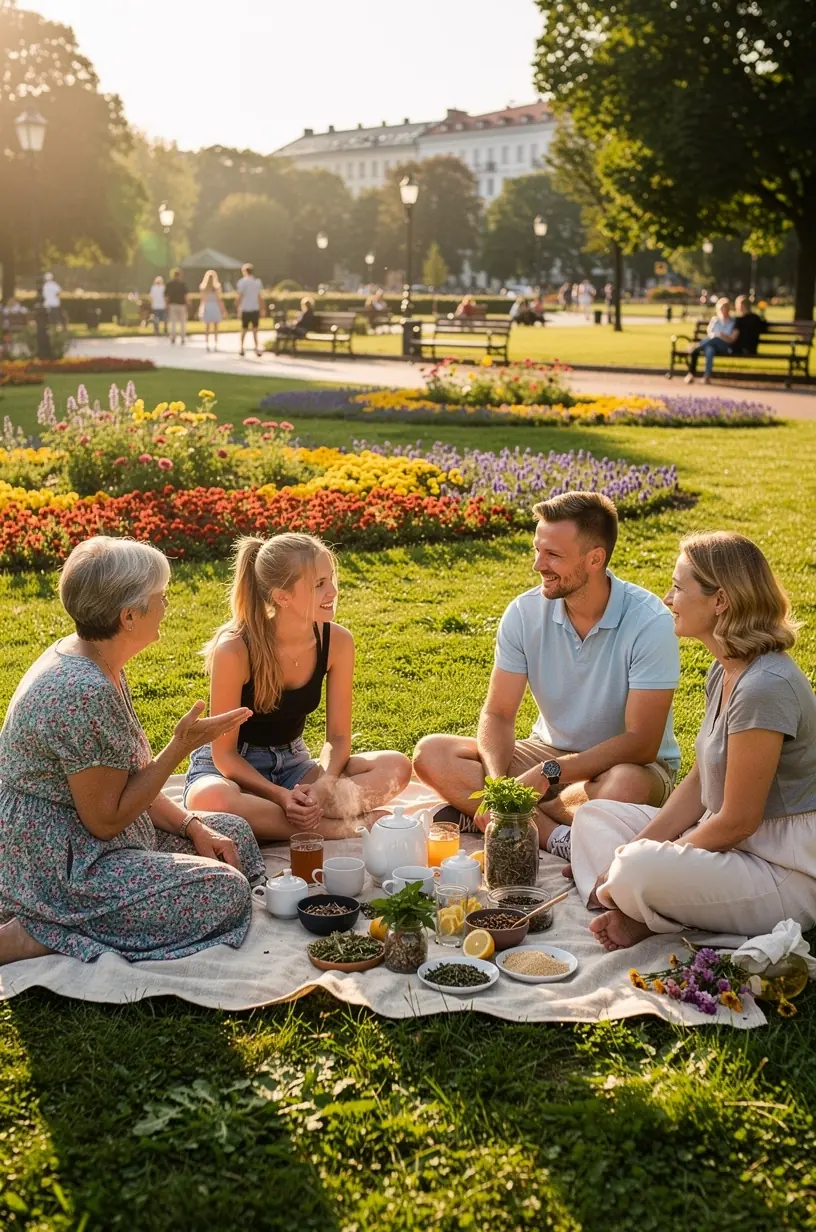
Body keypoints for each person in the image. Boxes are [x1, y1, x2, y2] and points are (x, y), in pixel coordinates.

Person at [0, 537, 266, 968]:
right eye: (160, 596)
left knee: (232, 836)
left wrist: (193, 824)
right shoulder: (83, 691)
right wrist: (180, 747)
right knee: (226, 891)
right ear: (128, 616)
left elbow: (129, 778)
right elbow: (105, 821)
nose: (166, 604)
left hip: (89, 832)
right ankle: (38, 930)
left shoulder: (95, 656)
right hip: (57, 864)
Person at [572, 532, 816, 952]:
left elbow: (738, 821)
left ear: (720, 600)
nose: (668, 599)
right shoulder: (725, 669)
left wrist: (637, 861)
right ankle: (647, 906)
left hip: (779, 868)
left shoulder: (765, 686)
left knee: (635, 867)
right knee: (594, 818)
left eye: (678, 588)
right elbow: (700, 782)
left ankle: (643, 910)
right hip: (724, 846)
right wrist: (637, 848)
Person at [413, 492, 681, 861]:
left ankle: (509, 818)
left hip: (627, 765)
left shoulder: (650, 622)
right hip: (550, 753)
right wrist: (498, 785)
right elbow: (498, 714)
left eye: (553, 555)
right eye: (537, 550)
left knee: (625, 787)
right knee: (432, 753)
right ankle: (551, 832)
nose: (539, 564)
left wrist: (547, 773)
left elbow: (641, 743)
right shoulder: (524, 613)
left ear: (595, 559)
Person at [183, 534, 412, 840]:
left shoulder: (337, 642)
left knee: (396, 767)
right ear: (282, 597)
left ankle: (274, 819)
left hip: (293, 766)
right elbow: (224, 755)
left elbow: (338, 738)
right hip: (233, 770)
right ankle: (335, 829)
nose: (333, 591)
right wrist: (280, 796)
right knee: (211, 800)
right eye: (319, 584)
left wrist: (323, 786)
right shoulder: (235, 649)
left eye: (331, 579)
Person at [685, 296, 738, 383]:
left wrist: (721, 336)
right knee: (710, 350)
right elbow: (710, 334)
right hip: (712, 344)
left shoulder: (733, 321)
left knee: (712, 341)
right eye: (721, 308)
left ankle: (697, 347)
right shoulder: (715, 320)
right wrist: (719, 335)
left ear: (728, 309)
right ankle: (705, 376)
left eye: (725, 308)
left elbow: (731, 338)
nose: (723, 310)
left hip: (725, 346)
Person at [236, 262, 265, 358]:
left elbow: (240, 296)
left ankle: (241, 348)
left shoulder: (242, 282)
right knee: (255, 330)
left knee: (244, 329)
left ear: (244, 271)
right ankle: (256, 348)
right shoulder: (257, 282)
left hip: (245, 308)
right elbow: (259, 297)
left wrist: (237, 307)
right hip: (255, 308)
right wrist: (262, 308)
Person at [198, 269, 227, 351]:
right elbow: (219, 300)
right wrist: (223, 310)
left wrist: (200, 309)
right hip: (214, 307)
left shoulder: (204, 288)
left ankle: (207, 344)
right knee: (215, 327)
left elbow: (202, 300)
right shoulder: (216, 288)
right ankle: (215, 344)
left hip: (207, 306)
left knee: (207, 327)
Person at [165, 267, 189, 345]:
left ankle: (173, 337)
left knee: (173, 322)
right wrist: (188, 304)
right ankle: (182, 338)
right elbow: (186, 296)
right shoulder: (183, 284)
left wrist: (166, 305)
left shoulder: (169, 284)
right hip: (181, 305)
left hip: (172, 305)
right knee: (182, 322)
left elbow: (166, 296)